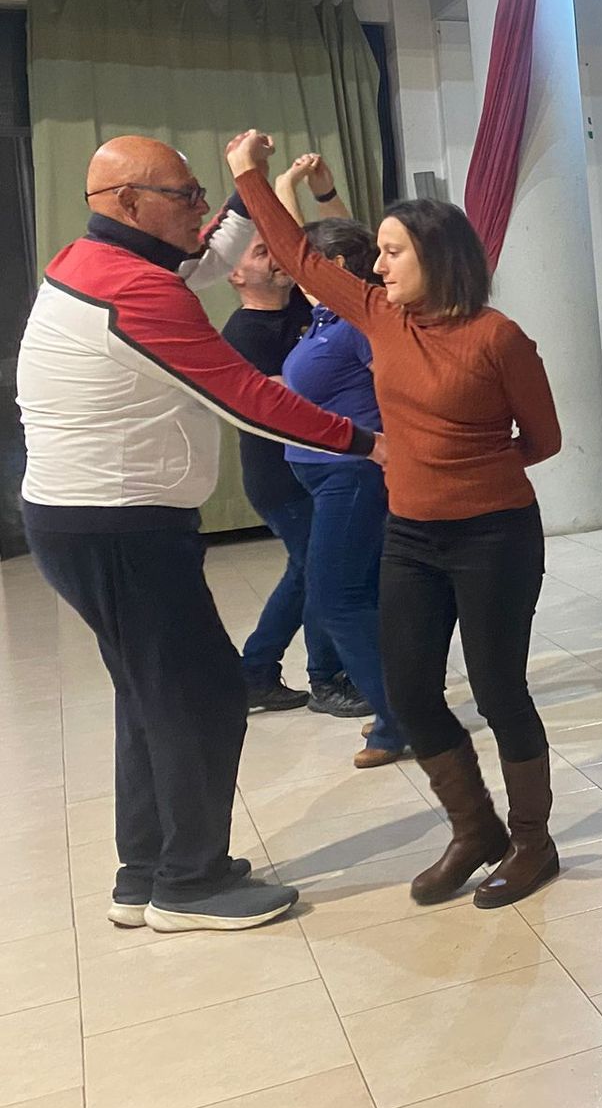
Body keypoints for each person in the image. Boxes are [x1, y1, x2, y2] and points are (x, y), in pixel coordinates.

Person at [17, 136, 381, 933]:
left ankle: (145, 871)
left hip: (92, 520)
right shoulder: (134, 289)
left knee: (150, 694)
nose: (200, 209)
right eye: (184, 195)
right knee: (204, 693)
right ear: (127, 204)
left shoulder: (100, 262)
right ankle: (190, 883)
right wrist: (368, 442)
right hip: (116, 525)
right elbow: (248, 398)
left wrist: (255, 177)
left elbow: (212, 252)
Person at [226, 130, 565, 909]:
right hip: (410, 534)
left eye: (390, 252)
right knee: (410, 693)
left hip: (493, 535)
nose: (375, 267)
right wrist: (251, 178)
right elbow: (302, 258)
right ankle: (474, 830)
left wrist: (465, 462)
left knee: (499, 689)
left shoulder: (498, 338)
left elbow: (542, 440)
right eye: (376, 253)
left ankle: (533, 842)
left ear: (437, 259)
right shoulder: (382, 318)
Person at [273, 155, 407, 770]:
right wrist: (290, 184)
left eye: (308, 263)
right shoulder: (325, 316)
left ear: (336, 270)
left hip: (351, 478)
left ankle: (397, 719)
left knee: (335, 598)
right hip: (326, 476)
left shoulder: (358, 321)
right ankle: (397, 705)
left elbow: (398, 388)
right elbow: (297, 239)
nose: (290, 267)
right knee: (359, 596)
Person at [220, 233, 334, 712]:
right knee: (315, 570)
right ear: (236, 275)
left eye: (276, 247)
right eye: (261, 253)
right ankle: (284, 672)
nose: (276, 258)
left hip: (319, 468)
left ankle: (258, 671)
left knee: (311, 569)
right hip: (279, 476)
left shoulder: (302, 311)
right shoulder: (242, 334)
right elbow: (282, 402)